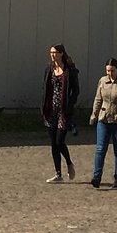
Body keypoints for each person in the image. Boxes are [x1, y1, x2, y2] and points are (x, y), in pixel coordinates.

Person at [41, 44, 80, 183]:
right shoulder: (49, 69)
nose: (52, 54)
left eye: (55, 52)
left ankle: (69, 162)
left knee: (59, 141)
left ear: (61, 53)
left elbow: (76, 89)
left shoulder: (69, 70)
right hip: (51, 110)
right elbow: (45, 88)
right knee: (53, 143)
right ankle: (58, 174)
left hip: (64, 111)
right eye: (50, 52)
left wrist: (71, 104)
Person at [88, 59, 117, 188]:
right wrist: (94, 115)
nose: (109, 73)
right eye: (107, 71)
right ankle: (97, 176)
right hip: (104, 119)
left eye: (112, 70)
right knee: (100, 149)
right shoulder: (102, 81)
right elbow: (98, 99)